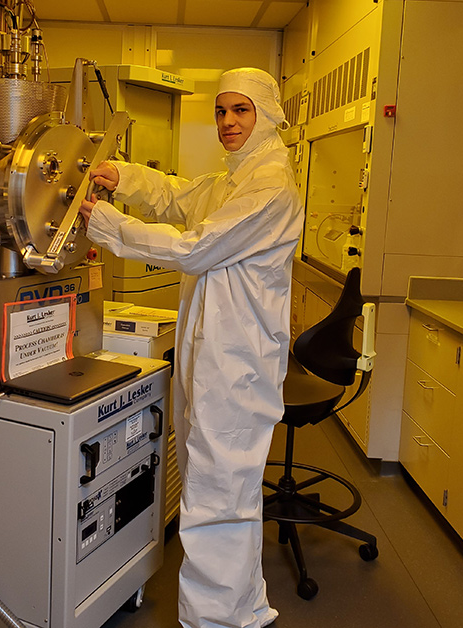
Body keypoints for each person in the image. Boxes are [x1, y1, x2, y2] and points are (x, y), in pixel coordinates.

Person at [79, 68, 303, 628]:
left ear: (267, 113)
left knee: (215, 500)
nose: (228, 122)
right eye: (222, 111)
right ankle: (244, 608)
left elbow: (197, 246)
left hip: (237, 369)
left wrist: (108, 224)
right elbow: (179, 195)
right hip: (219, 359)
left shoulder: (270, 187)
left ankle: (214, 622)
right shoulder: (237, 178)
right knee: (228, 495)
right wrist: (121, 176)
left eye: (241, 111)